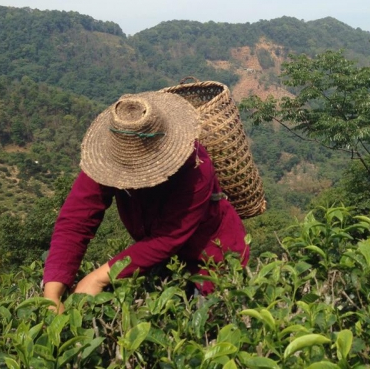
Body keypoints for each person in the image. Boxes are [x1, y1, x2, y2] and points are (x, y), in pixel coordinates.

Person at [42, 91, 250, 312]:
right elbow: (76, 220)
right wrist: (52, 295)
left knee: (211, 327)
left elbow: (168, 237)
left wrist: (97, 278)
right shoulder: (108, 156)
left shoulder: (196, 167)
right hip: (160, 262)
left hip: (212, 259)